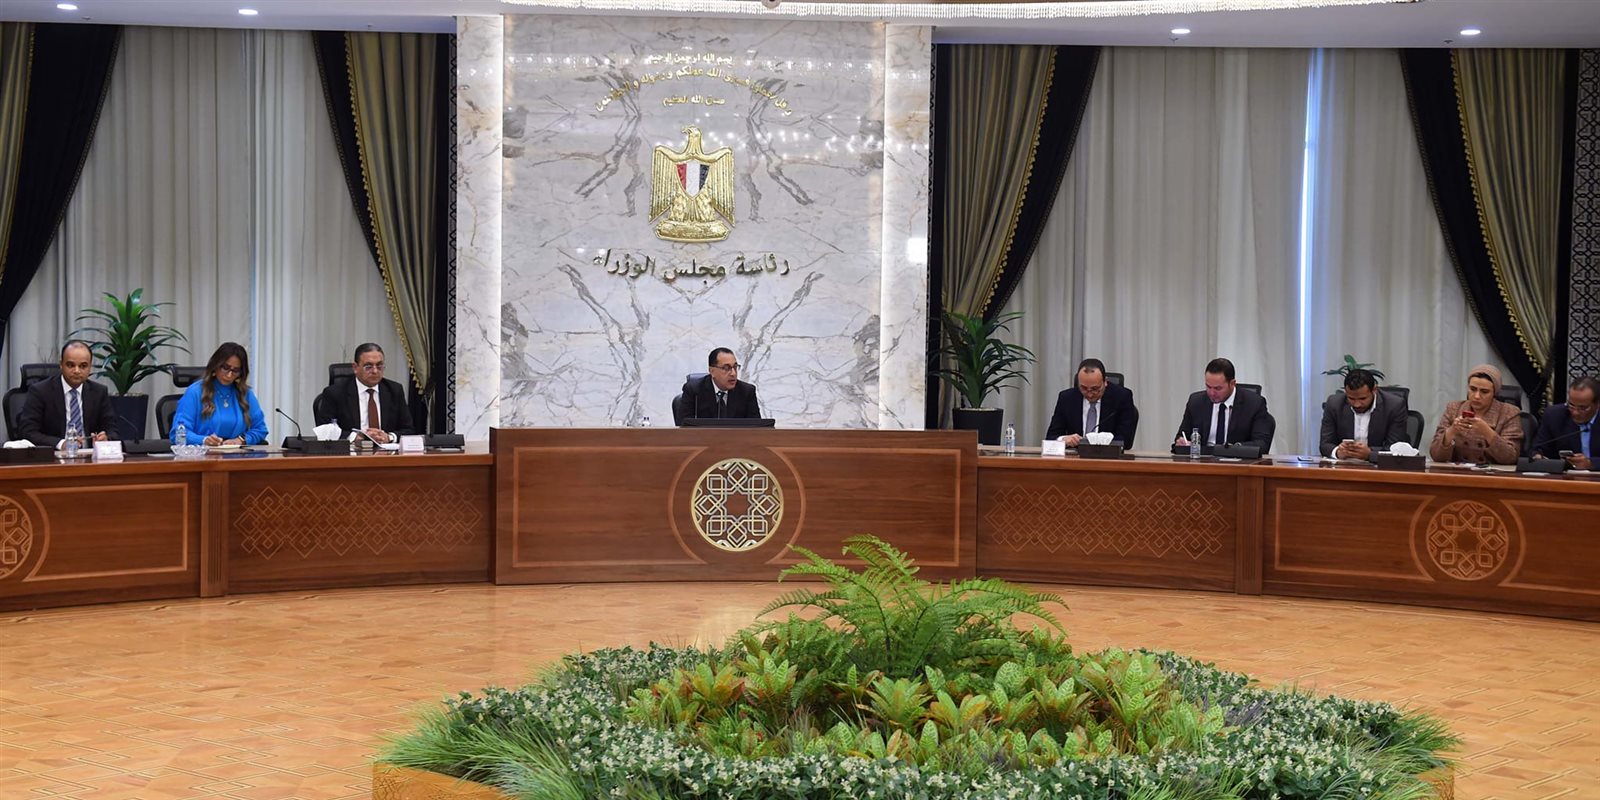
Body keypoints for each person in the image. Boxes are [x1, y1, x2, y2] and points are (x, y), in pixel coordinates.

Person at [17, 340, 120, 448]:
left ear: (90, 367)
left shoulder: (99, 392)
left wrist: (106, 438)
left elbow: (112, 430)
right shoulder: (40, 391)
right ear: (61, 365)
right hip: (54, 455)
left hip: (89, 455)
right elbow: (27, 432)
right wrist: (61, 444)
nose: (77, 371)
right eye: (71, 365)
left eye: (83, 366)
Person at [170, 342, 268, 445]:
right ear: (215, 365)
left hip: (236, 453)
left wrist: (241, 440)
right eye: (225, 368)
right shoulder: (195, 392)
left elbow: (261, 429)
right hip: (202, 453)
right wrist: (203, 440)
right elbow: (177, 435)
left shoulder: (245, 394)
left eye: (235, 370)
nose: (229, 375)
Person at [314, 343, 414, 444]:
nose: (375, 371)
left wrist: (389, 437)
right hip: (351, 451)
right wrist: (355, 437)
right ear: (355, 367)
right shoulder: (335, 393)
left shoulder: (394, 390)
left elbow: (409, 429)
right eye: (368, 366)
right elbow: (324, 430)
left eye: (379, 366)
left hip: (387, 451)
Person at [1174, 357, 1275, 453]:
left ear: (1232, 384)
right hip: (1202, 461)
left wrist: (1234, 449)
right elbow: (1182, 436)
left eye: (1218, 388)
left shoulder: (1254, 404)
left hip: (1236, 461)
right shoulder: (1196, 402)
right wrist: (1182, 442)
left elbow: (1262, 444)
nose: (1212, 393)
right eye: (1208, 386)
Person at [1428, 363, 1521, 465]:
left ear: (1494, 393)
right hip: (1457, 472)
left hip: (1493, 473)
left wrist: (1487, 431)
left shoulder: (1509, 413)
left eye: (1484, 392)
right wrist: (1451, 431)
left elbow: (1510, 458)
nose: (1476, 396)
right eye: (1472, 389)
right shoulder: (1453, 409)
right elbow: (1436, 455)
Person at [1317, 369, 1410, 459]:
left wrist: (1370, 454)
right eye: (1351, 398)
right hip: (1344, 465)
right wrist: (1337, 452)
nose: (1357, 404)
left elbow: (1395, 448)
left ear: (1374, 390)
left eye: (1362, 399)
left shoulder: (1394, 406)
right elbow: (1325, 444)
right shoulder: (1334, 404)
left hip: (1379, 466)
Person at [1044, 358, 1139, 447]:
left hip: (1108, 456)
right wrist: (1063, 439)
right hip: (1075, 456)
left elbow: (1125, 440)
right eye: (1084, 388)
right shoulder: (1066, 398)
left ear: (1105, 382)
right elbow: (1051, 436)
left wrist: (1103, 440)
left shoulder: (1122, 397)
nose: (1090, 394)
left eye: (1095, 389)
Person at [677, 347, 761, 423]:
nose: (733, 373)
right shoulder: (694, 390)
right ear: (712, 371)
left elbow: (756, 428)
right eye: (726, 368)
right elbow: (683, 426)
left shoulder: (747, 392)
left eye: (735, 367)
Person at [1532, 376, 1598, 469]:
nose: (1575, 412)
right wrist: (1538, 456)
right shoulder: (1554, 416)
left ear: (1598, 404)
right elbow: (1538, 448)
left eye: (1582, 408)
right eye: (1571, 405)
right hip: (1566, 475)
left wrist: (1591, 463)